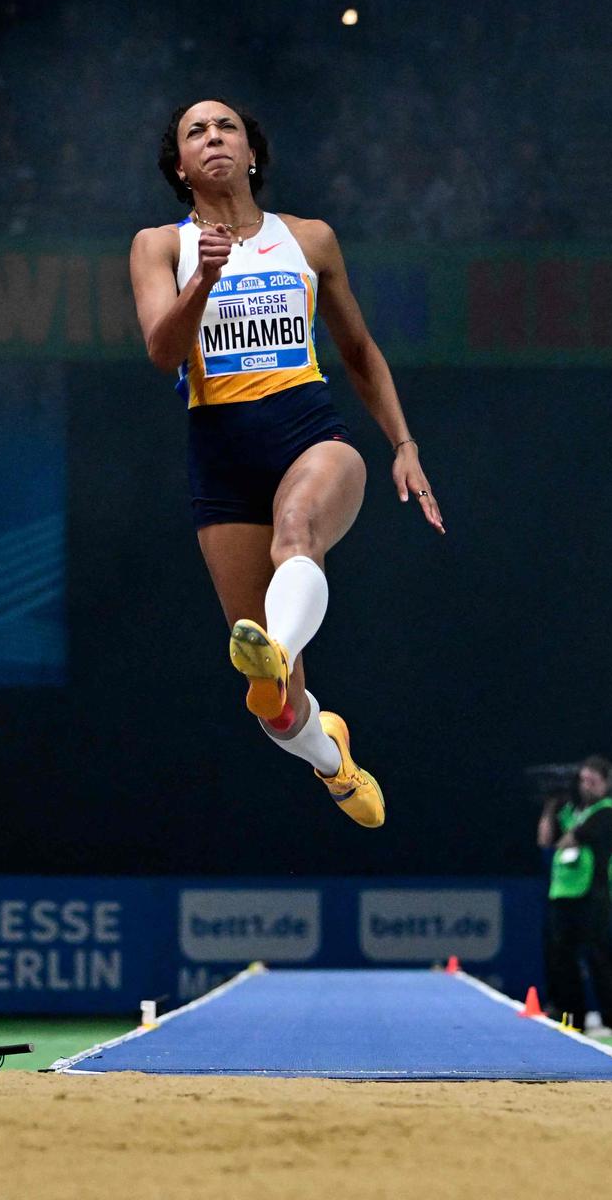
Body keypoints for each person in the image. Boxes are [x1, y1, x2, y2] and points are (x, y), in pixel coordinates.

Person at [128, 98, 443, 828]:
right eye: (195, 133)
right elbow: (160, 353)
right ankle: (333, 759)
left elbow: (360, 353)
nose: (213, 138)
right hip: (221, 457)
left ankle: (276, 649)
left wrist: (404, 445)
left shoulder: (310, 239)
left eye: (225, 127)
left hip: (308, 432)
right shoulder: (161, 247)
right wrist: (201, 280)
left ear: (252, 152)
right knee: (277, 707)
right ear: (181, 166)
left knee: (296, 534)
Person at [538, 756, 612, 1034]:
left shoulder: (607, 812)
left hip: (594, 894)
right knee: (563, 959)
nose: (586, 786)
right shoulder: (571, 811)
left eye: (592, 781)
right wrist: (550, 807)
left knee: (597, 956)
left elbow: (569, 839)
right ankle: (574, 1018)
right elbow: (545, 840)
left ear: (603, 784)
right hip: (563, 893)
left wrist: (566, 831)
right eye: (583, 780)